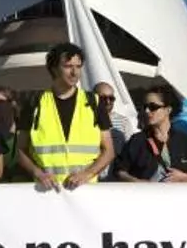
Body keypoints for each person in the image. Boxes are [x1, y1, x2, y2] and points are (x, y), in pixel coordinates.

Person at [15, 42, 114, 191]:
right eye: (68, 66)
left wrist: (87, 174)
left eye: (78, 66)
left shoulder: (94, 102)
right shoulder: (34, 102)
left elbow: (109, 151)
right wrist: (38, 173)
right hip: (46, 191)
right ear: (54, 69)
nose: (74, 72)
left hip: (86, 190)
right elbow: (20, 151)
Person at [115, 83, 187, 182]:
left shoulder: (185, 141)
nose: (147, 111)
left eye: (153, 107)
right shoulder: (137, 140)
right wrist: (137, 182)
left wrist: (184, 177)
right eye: (145, 107)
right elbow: (119, 171)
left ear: (168, 110)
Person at [93, 81, 135, 181]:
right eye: (103, 98)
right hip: (92, 176)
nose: (108, 102)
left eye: (111, 98)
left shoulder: (123, 122)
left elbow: (130, 151)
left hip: (115, 179)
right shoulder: (85, 120)